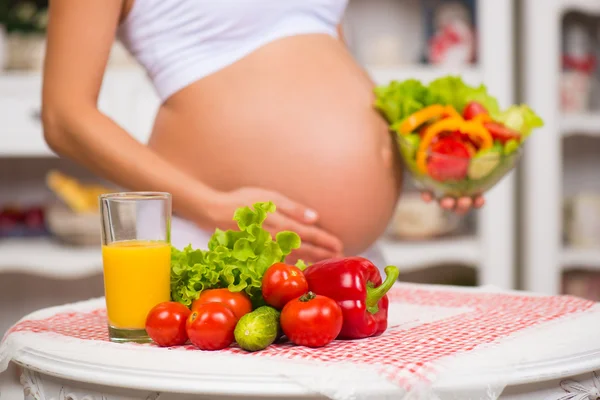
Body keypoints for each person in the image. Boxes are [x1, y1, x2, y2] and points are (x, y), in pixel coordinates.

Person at [41, 0, 483, 266]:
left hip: (349, 262)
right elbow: (64, 117)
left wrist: (428, 157)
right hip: (221, 244)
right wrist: (211, 206)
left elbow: (322, 56)